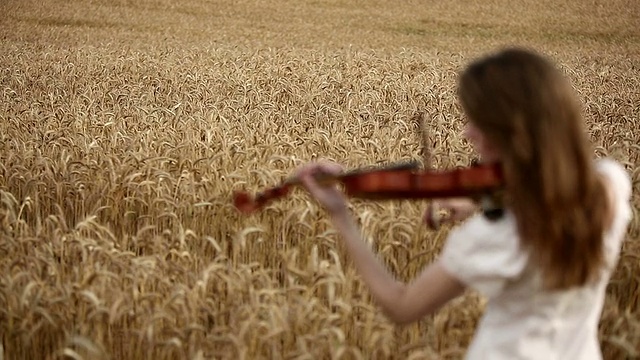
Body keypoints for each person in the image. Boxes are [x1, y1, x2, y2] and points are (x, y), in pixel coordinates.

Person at [293, 48, 632, 359]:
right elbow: (545, 195)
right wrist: (478, 204)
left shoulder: (497, 235)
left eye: (479, 123)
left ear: (512, 133)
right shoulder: (610, 188)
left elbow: (401, 306)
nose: (467, 133)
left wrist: (341, 215)